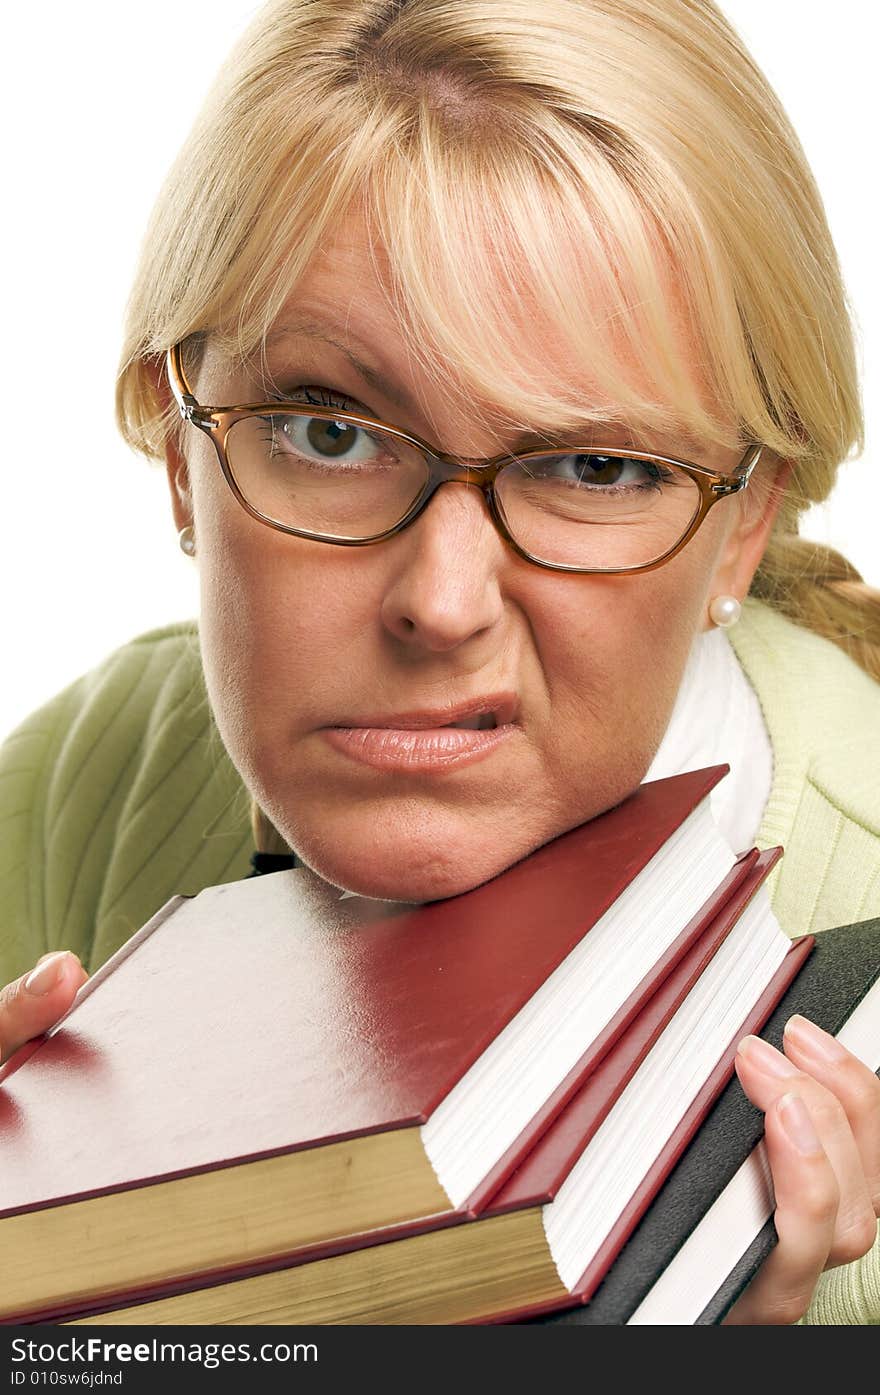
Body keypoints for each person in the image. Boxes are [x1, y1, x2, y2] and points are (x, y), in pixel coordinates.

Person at [0, 0, 878, 1325]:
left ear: (745, 522)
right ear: (175, 446)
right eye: (329, 432)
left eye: (597, 466)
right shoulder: (91, 778)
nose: (442, 603)